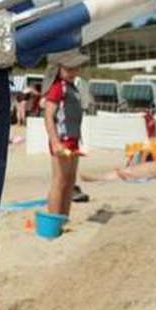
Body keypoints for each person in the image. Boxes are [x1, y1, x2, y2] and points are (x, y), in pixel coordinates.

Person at [42, 49, 87, 219]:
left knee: (69, 181)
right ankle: (54, 220)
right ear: (59, 68)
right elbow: (48, 116)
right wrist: (54, 141)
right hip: (61, 139)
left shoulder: (73, 87)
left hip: (73, 140)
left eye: (75, 68)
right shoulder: (57, 88)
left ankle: (64, 218)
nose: (73, 72)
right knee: (59, 181)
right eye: (69, 68)